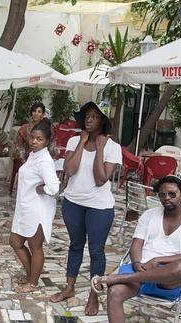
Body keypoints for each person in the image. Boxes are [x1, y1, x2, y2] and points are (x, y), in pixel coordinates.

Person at [91, 176, 181, 322]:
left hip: (169, 279)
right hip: (142, 269)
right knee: (114, 292)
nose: (167, 198)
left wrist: (157, 260)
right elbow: (137, 243)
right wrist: (137, 263)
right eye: (162, 195)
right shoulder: (149, 215)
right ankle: (122, 279)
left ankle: (119, 278)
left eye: (172, 194)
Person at [49, 101, 122, 316]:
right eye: (87, 116)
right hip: (73, 203)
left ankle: (93, 295)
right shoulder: (74, 140)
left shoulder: (112, 147)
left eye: (95, 117)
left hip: (99, 207)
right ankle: (69, 287)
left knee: (96, 251)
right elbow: (70, 170)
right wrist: (82, 142)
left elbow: (101, 179)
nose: (89, 120)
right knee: (75, 245)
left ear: (102, 121)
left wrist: (99, 148)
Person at [9, 118, 60, 293]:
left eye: (39, 139)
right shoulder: (33, 155)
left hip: (37, 210)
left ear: (46, 141)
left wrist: (41, 188)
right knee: (15, 241)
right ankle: (32, 275)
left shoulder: (44, 160)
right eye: (33, 138)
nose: (34, 142)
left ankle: (33, 283)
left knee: (35, 246)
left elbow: (54, 187)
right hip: (25, 208)